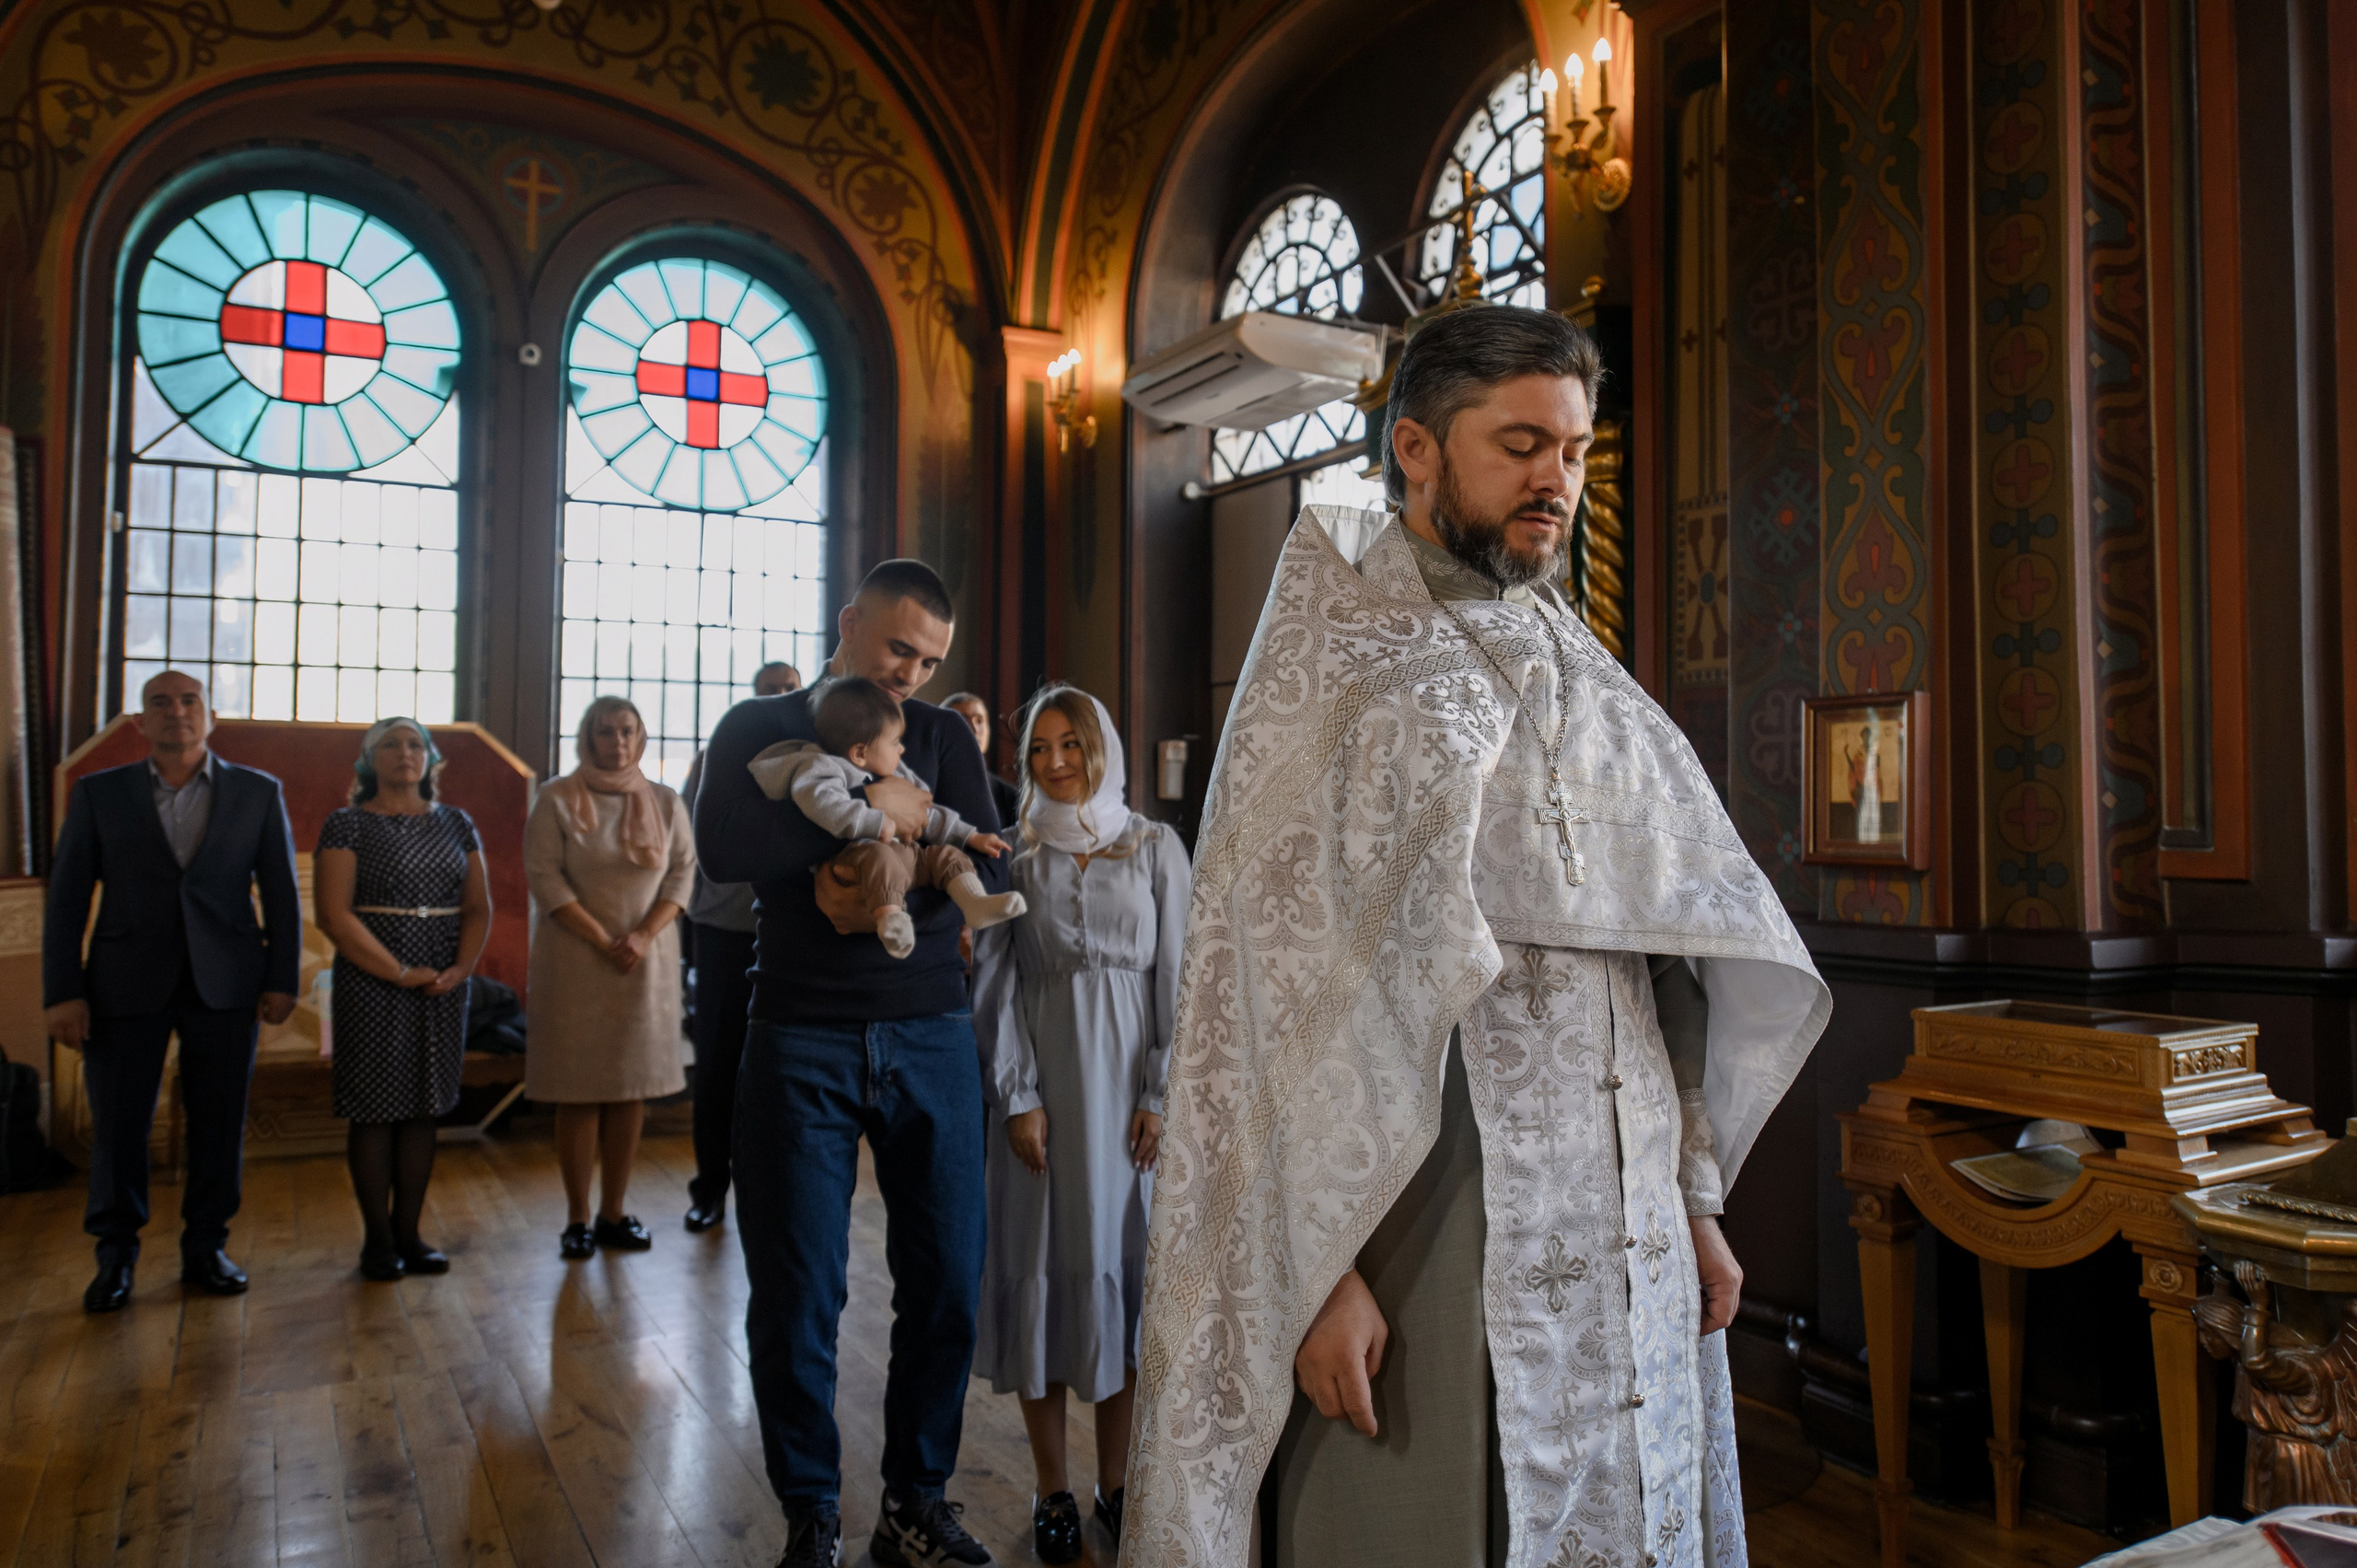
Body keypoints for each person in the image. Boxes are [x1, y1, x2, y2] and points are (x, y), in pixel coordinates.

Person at [1125, 308, 1830, 1568]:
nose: (1555, 478)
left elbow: (1659, 967)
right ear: (1416, 447)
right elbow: (1263, 995)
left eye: (1573, 450)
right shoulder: (1333, 658)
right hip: (1421, 1218)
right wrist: (1314, 1273)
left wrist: (1694, 1200)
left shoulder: (1586, 675)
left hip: (1623, 1221)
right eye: (1519, 445)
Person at [696, 559, 1007, 1568]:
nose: (911, 673)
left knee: (948, 1280)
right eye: (898, 647)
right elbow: (723, 846)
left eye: (929, 660)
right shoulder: (759, 724)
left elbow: (975, 849)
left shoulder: (944, 735)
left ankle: (915, 1501)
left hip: (930, 1025)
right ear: (849, 621)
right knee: (797, 1293)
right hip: (799, 1030)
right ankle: (811, 1511)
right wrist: (879, 806)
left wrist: (879, 852)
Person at [973, 686, 1189, 1562]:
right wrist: (1018, 1095)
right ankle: (1052, 1486)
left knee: (1122, 1287)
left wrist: (1161, 1093)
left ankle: (1117, 1481)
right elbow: (993, 985)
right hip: (1046, 1102)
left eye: (1072, 743)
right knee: (1041, 1275)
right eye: (1039, 748)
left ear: (1102, 749)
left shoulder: (1155, 846)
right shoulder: (1011, 857)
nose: (1056, 761)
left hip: (1132, 1106)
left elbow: (1182, 975)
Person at [41, 669, 302, 1313]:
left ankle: (206, 1247)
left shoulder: (258, 792)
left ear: (211, 717)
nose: (176, 712)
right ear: (140, 722)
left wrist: (281, 978)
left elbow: (282, 893)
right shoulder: (98, 793)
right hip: (122, 983)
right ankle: (115, 1257)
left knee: (219, 1123)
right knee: (119, 1126)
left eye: (190, 701)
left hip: (229, 983)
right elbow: (67, 899)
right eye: (160, 702)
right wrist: (62, 991)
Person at [314, 718, 493, 1281]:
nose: (404, 752)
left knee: (423, 1108)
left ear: (431, 758)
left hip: (441, 982)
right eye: (389, 744)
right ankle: (378, 1241)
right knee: (374, 1110)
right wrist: (396, 972)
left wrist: (461, 968)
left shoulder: (457, 823)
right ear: (368, 760)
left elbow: (479, 908)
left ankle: (410, 1233)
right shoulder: (347, 824)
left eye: (415, 744)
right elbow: (334, 915)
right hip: (371, 979)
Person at [525, 695, 696, 1260]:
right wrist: (604, 939)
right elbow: (544, 877)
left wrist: (642, 935)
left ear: (640, 739)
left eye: (627, 731)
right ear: (587, 737)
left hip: (645, 961)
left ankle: (614, 1213)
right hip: (575, 958)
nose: (616, 742)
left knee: (629, 1088)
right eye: (605, 731)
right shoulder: (555, 798)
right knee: (578, 1090)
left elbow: (682, 876)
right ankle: (577, 1218)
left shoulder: (666, 802)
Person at [747, 676, 1025, 958]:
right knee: (880, 861)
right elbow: (823, 805)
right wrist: (875, 819)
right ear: (860, 752)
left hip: (906, 856)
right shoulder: (821, 768)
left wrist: (970, 836)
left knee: (946, 856)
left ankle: (974, 902)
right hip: (859, 858)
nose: (902, 750)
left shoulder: (896, 772)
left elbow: (925, 810)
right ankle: (892, 920)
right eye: (894, 742)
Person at [679, 658, 802, 1234]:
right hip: (724, 930)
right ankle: (709, 1188)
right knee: (717, 1063)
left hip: (790, 929)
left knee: (783, 1067)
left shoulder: (819, 754)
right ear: (753, 698)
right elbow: (691, 846)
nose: (779, 695)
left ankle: (774, 1193)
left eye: (788, 688)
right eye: (769, 689)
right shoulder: (717, 757)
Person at [942, 691, 1019, 830]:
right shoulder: (925, 786)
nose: (974, 729)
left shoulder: (1010, 797)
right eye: (962, 719)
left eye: (979, 721)